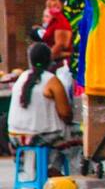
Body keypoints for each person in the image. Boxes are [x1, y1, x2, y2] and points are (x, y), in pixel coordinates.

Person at [8, 43, 73, 177]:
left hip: (15, 138)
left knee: (55, 136)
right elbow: (66, 113)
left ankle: (37, 174)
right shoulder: (52, 80)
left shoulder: (22, 77)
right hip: (39, 137)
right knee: (75, 136)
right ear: (49, 60)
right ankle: (55, 170)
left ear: (30, 60)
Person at [37, 0, 73, 66]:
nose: (49, 3)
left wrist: (43, 62)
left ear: (62, 3)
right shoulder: (53, 20)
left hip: (61, 66)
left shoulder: (61, 21)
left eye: (53, 0)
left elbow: (59, 46)